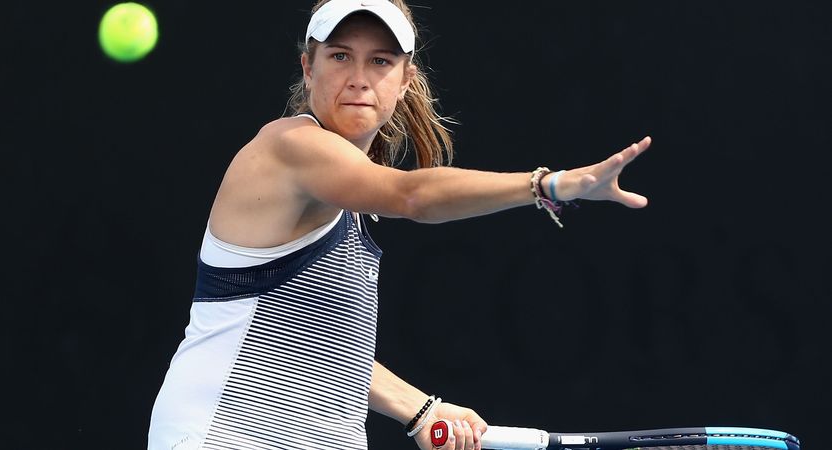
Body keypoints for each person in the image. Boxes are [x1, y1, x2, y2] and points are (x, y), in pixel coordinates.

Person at [147, 0, 652, 449]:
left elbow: (312, 345)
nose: (359, 77)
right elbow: (410, 195)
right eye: (339, 56)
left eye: (380, 61)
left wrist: (421, 410)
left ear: (406, 79)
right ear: (307, 67)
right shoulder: (289, 147)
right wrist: (548, 185)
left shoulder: (345, 202)